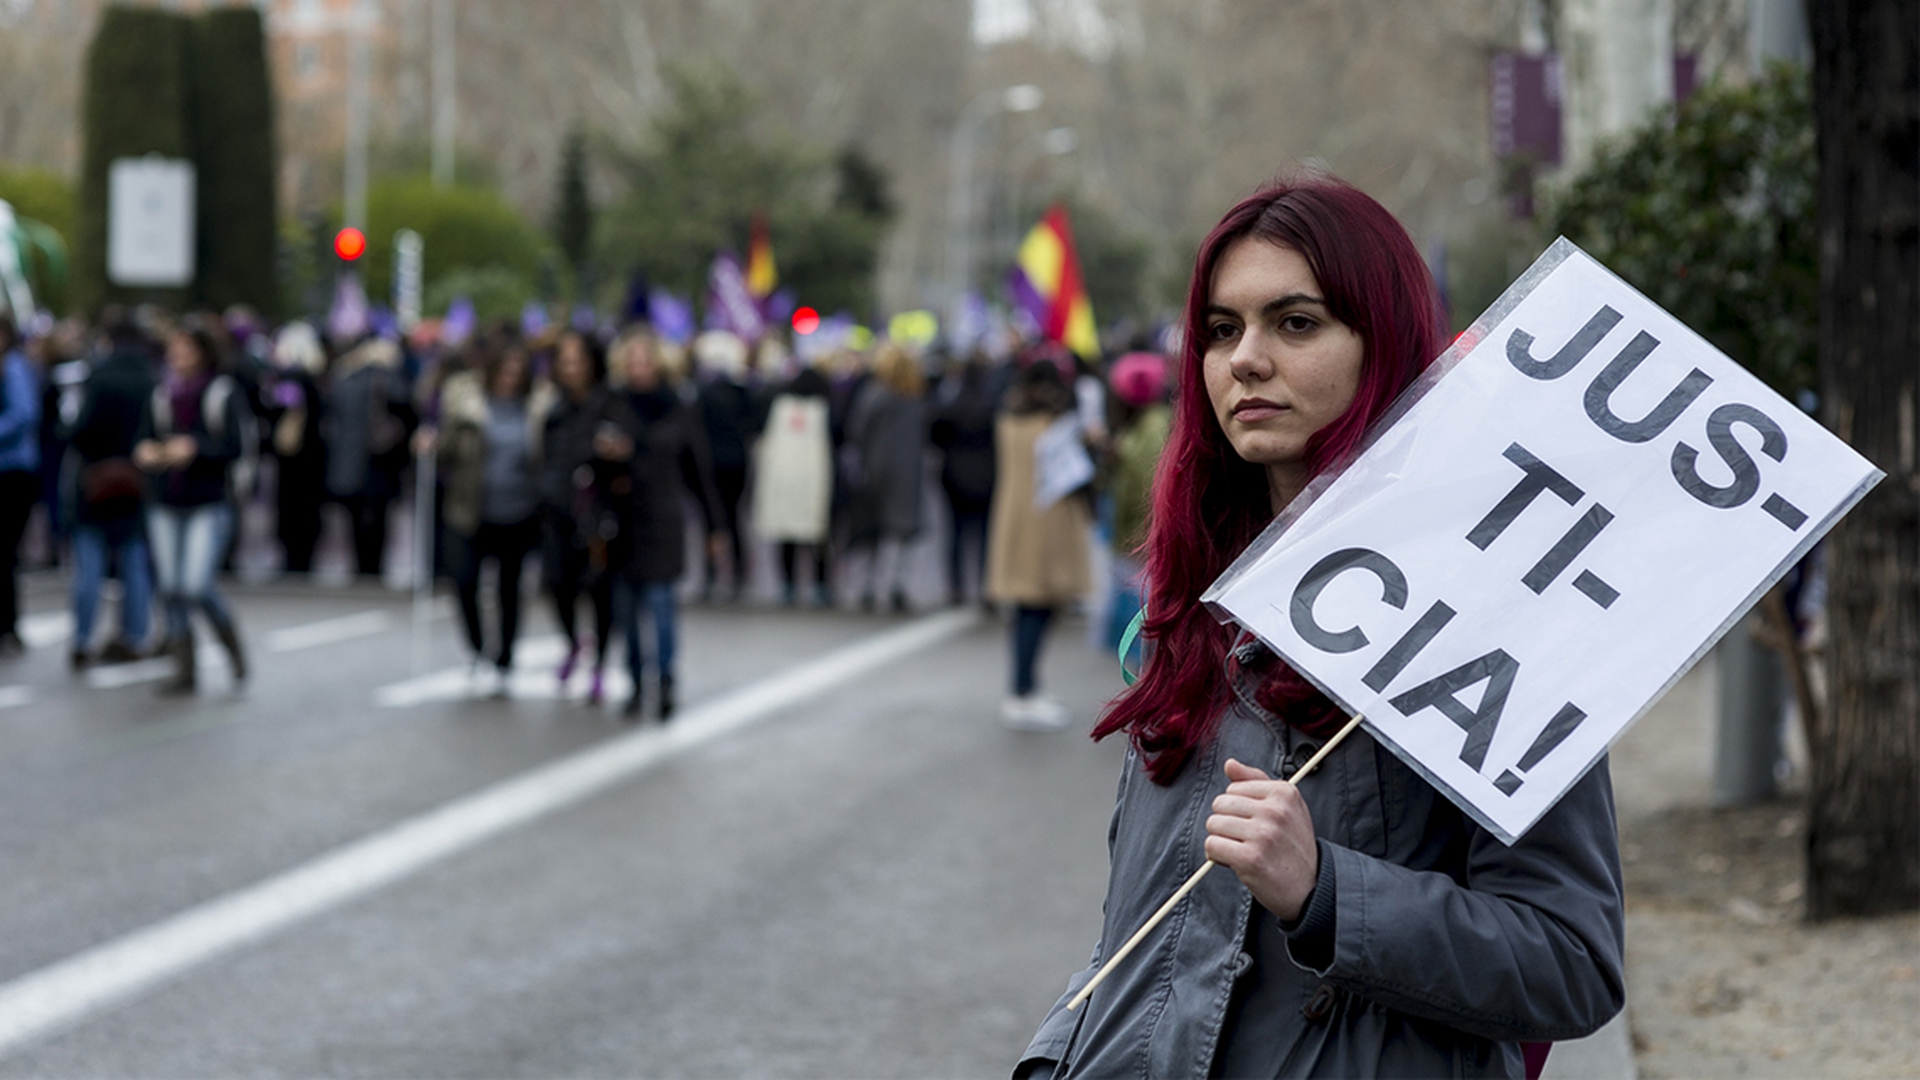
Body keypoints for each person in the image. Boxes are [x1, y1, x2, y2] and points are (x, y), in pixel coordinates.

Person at [1016, 178, 1624, 1079]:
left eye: (1295, 323)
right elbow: (1141, 935)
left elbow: (1571, 961)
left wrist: (1327, 890)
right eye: (1221, 329)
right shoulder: (1192, 614)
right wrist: (1055, 1058)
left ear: (1383, 345)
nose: (1245, 360)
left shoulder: (1495, 621)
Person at [609, 328, 724, 720]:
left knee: (661, 604)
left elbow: (699, 470)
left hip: (662, 517)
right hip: (622, 519)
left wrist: (714, 525)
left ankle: (665, 679)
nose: (639, 368)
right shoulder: (613, 403)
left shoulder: (677, 407)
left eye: (645, 360)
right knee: (626, 610)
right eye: (632, 361)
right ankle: (634, 679)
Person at [134, 322, 249, 694]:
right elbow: (143, 437)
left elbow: (235, 446)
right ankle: (184, 667)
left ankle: (229, 640)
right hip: (165, 500)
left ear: (203, 352)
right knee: (170, 586)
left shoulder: (221, 392)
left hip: (207, 501)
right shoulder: (161, 393)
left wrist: (195, 449)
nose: (177, 356)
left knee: (195, 584)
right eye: (174, 349)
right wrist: (147, 451)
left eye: (185, 349)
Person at [434, 344, 548, 697]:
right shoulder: (468, 405)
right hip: (471, 510)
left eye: (517, 373)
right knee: (464, 580)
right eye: (504, 371)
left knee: (509, 589)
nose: (509, 379)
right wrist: (431, 442)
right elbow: (446, 451)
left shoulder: (535, 409)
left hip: (519, 511)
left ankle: (504, 659)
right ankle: (477, 646)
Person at [985, 356, 1092, 729]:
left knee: (1027, 608)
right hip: (1047, 522)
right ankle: (1023, 691)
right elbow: (1079, 474)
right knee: (1036, 608)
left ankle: (1026, 687)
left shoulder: (1009, 417)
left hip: (1015, 519)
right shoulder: (1055, 423)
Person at [537, 330, 630, 703]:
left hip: (597, 512)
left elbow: (625, 452)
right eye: (565, 361)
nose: (571, 368)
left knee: (599, 588)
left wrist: (611, 453)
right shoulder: (556, 407)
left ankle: (600, 664)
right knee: (557, 583)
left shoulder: (608, 403)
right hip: (558, 508)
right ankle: (573, 643)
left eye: (578, 361)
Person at [64, 314, 155, 668]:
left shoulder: (98, 377)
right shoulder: (151, 378)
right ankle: (135, 636)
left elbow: (79, 428)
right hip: (137, 480)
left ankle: (83, 638)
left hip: (95, 480)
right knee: (134, 562)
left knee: (89, 565)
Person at [844, 342, 928, 612]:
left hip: (876, 468)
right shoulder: (915, 397)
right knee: (903, 532)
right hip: (908, 471)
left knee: (873, 531)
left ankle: (868, 586)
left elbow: (857, 430)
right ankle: (897, 585)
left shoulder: (874, 394)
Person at [323, 335, 412, 580]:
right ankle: (372, 569)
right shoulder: (385, 376)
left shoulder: (342, 376)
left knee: (355, 519)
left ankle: (360, 568)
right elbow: (405, 407)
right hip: (376, 459)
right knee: (377, 519)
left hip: (347, 459)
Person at [753, 363, 835, 607]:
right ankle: (820, 585)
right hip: (814, 480)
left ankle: (787, 584)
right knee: (817, 539)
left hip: (783, 479)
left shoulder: (779, 405)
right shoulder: (824, 408)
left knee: (785, 537)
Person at [692, 330, 759, 602]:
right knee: (733, 519)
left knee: (712, 521)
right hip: (737, 462)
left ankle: (711, 575)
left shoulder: (704, 394)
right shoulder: (743, 393)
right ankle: (738, 573)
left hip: (713, 464)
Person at [930, 350, 998, 607]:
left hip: (955, 476)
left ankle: (956, 587)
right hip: (986, 477)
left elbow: (935, 434)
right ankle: (986, 587)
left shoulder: (951, 406)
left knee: (955, 534)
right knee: (984, 536)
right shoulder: (991, 407)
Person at [262, 322, 328, 575]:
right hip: (309, 458)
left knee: (292, 510)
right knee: (305, 511)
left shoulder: (288, 380)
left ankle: (294, 559)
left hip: (293, 459)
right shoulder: (314, 380)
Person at [0, 314, 41, 655]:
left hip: (13, 472)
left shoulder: (13, 367)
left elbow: (24, 414)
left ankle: (8, 625)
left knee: (4, 551)